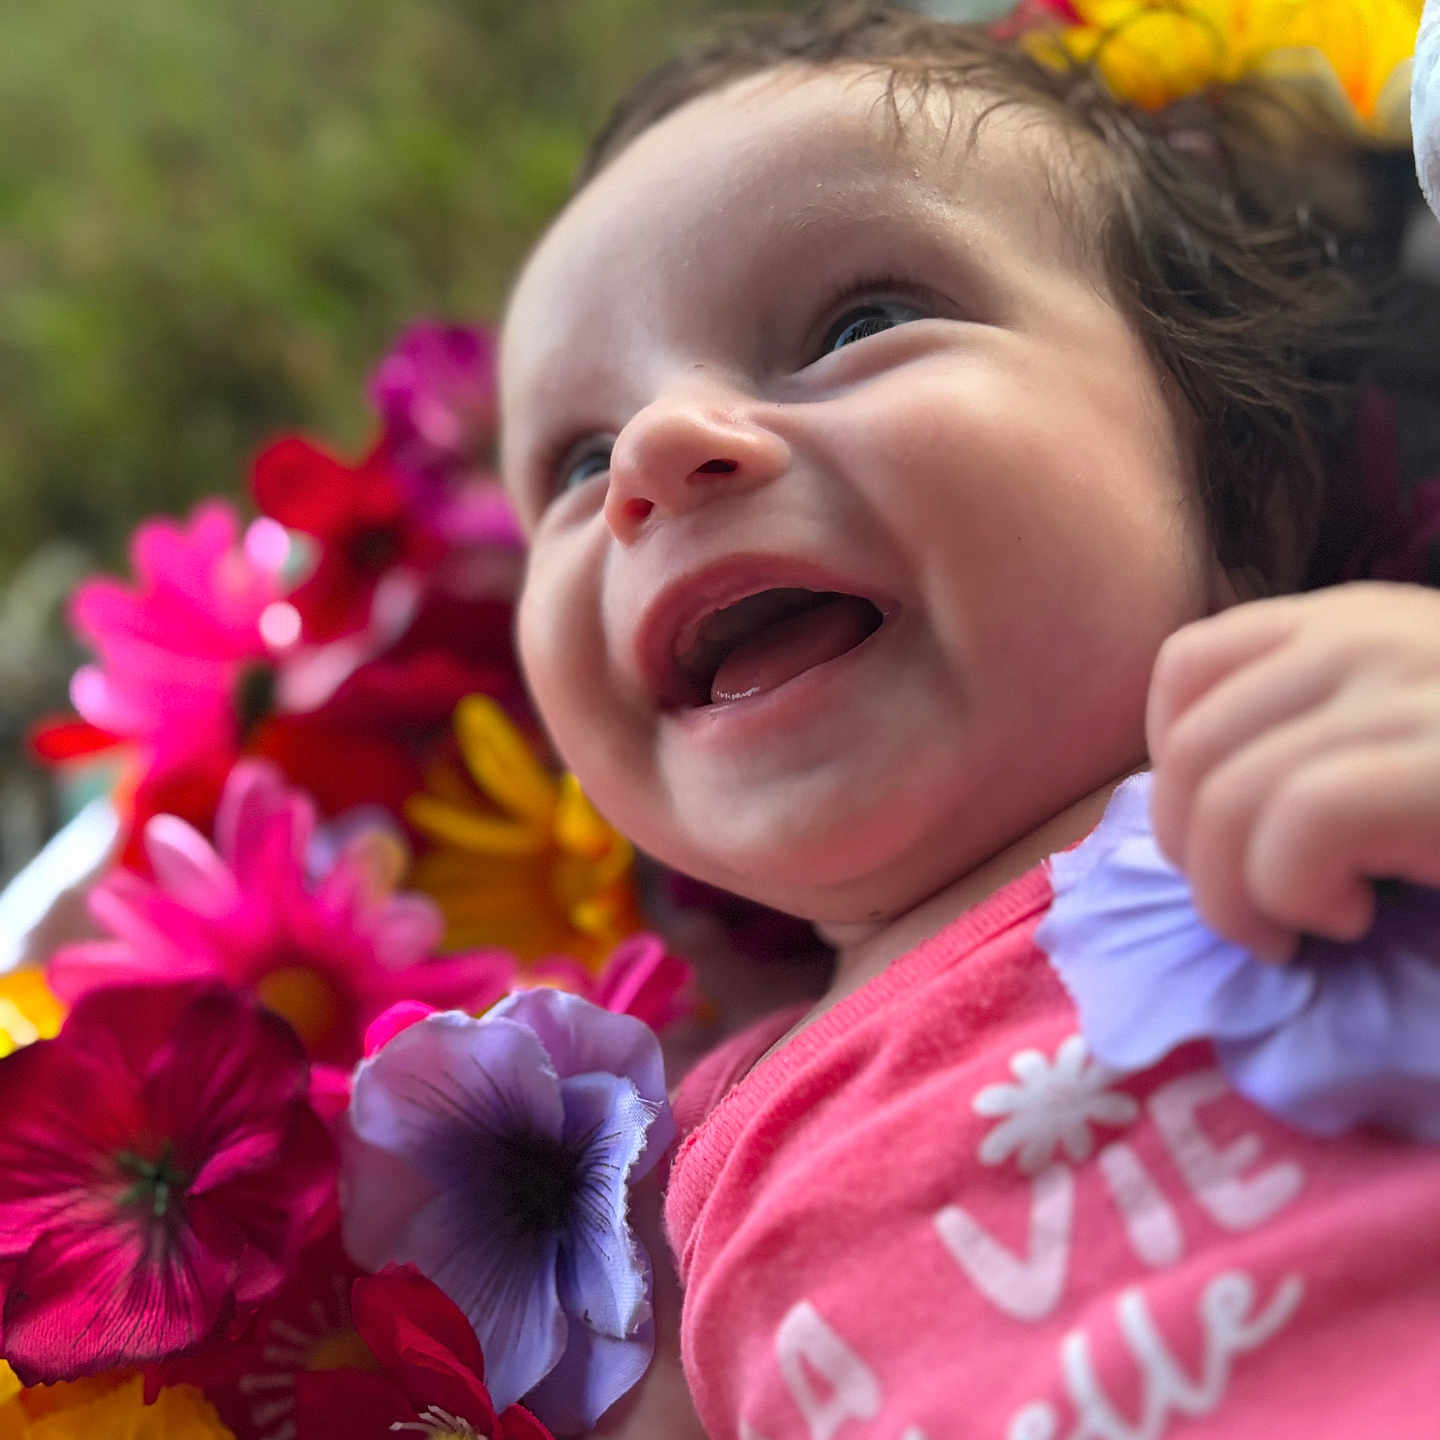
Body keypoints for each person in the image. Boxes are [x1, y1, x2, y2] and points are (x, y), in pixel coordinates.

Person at [496, 3, 1440, 1434]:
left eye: (859, 322)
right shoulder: (680, 1186)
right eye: (572, 461)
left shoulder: (1371, 723)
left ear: (1244, 481)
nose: (655, 448)